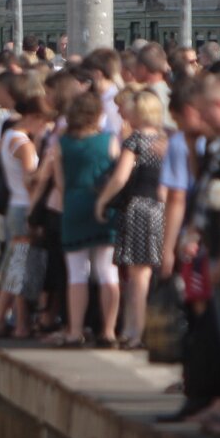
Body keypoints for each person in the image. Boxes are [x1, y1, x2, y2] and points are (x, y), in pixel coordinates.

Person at [96, 90, 167, 349]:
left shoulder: (135, 141)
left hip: (137, 207)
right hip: (159, 208)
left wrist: (102, 200)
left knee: (137, 275)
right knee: (146, 273)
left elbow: (120, 177)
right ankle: (134, 328)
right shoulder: (164, 140)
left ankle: (136, 331)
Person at [46, 91, 119, 348]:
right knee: (107, 271)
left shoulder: (61, 143)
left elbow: (60, 182)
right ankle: (108, 332)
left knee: (77, 273)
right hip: (104, 207)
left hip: (74, 205)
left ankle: (75, 331)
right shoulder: (110, 140)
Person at [0, 85, 50, 338]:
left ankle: (14, 321)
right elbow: (30, 181)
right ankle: (8, 321)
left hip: (14, 205)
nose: (45, 128)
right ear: (34, 117)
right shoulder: (24, 145)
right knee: (19, 267)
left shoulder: (9, 136)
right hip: (25, 207)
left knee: (17, 265)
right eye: (44, 122)